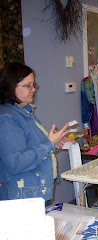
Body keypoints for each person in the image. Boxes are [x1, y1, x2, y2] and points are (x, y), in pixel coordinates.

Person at [0, 62, 72, 203]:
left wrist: (55, 142)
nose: (33, 89)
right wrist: (49, 144)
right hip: (23, 198)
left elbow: (31, 142)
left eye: (33, 85)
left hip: (34, 191)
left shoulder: (24, 111)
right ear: (10, 86)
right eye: (28, 86)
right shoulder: (7, 119)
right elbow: (15, 163)